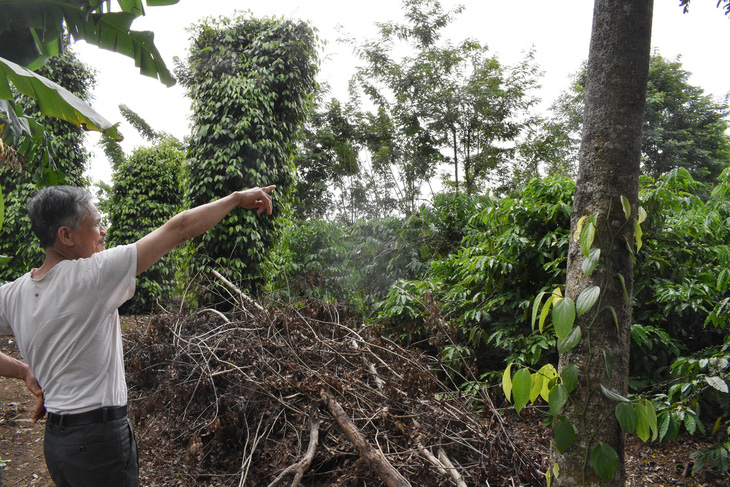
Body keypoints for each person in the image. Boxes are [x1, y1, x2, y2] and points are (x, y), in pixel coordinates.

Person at [0, 184, 275, 487]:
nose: (102, 232)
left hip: (56, 443)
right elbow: (179, 228)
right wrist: (236, 198)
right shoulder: (92, 276)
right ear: (66, 236)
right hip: (98, 444)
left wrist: (23, 371)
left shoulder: (13, 293)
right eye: (95, 225)